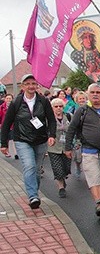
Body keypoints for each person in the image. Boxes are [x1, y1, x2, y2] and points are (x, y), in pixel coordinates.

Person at [0, 74, 56, 209]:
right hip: (22, 140)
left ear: (37, 86)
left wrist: (52, 135)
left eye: (33, 83)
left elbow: (51, 119)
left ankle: (34, 193)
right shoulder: (16, 102)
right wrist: (3, 143)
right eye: (28, 83)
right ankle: (33, 196)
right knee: (29, 166)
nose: (31, 86)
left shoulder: (43, 101)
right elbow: (6, 123)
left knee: (36, 170)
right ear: (23, 86)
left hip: (41, 139)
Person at [65, 84, 100, 218]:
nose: (95, 95)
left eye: (98, 92)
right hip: (89, 151)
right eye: (93, 92)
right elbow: (71, 128)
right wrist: (68, 147)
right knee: (94, 179)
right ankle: (99, 202)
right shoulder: (82, 111)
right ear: (88, 95)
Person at [48, 98, 72, 197]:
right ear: (52, 108)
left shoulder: (69, 116)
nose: (58, 108)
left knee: (66, 168)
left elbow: (74, 128)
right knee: (57, 168)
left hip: (66, 147)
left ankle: (62, 177)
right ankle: (61, 187)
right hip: (53, 147)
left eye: (60, 106)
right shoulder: (48, 119)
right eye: (56, 106)